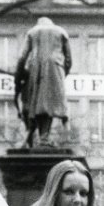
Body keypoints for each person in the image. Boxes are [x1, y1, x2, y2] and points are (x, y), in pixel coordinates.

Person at [16, 17, 72, 148]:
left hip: (35, 68)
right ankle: (47, 138)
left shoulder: (32, 32)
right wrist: (64, 72)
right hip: (56, 67)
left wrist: (20, 75)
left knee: (38, 103)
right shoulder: (61, 32)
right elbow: (69, 58)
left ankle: (42, 138)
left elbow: (22, 57)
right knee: (51, 103)